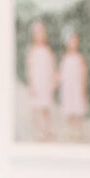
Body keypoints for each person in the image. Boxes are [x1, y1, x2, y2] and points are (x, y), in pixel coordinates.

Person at [25, 16, 57, 144]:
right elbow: (30, 69)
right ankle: (37, 131)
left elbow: (52, 66)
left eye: (42, 33)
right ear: (34, 35)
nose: (41, 35)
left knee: (45, 108)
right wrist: (31, 85)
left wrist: (54, 80)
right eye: (38, 33)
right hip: (36, 83)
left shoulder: (48, 51)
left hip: (46, 83)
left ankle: (47, 129)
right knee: (35, 108)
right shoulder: (32, 51)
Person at [59, 26, 89, 144]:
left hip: (77, 88)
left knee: (77, 109)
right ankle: (70, 130)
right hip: (68, 89)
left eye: (75, 41)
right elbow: (62, 74)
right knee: (69, 109)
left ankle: (78, 131)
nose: (73, 43)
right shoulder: (65, 58)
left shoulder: (80, 58)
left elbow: (83, 74)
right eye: (71, 41)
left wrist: (83, 88)